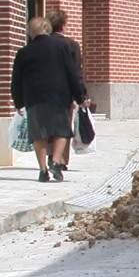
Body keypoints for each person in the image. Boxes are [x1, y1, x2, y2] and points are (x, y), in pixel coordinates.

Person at [11, 16, 86, 182]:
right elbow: (72, 73)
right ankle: (56, 160)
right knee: (62, 130)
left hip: (34, 97)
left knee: (39, 133)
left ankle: (42, 169)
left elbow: (16, 79)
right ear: (48, 29)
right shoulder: (62, 46)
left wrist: (18, 101)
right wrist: (80, 96)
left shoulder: (24, 52)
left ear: (31, 32)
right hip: (59, 96)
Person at [47, 10, 87, 170]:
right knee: (64, 125)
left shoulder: (40, 44)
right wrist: (82, 95)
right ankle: (61, 159)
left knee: (47, 125)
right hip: (65, 93)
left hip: (43, 92)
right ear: (63, 25)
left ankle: (50, 155)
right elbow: (77, 72)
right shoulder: (72, 45)